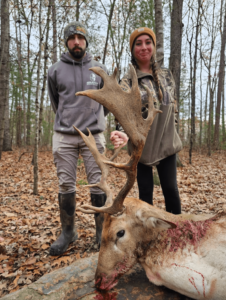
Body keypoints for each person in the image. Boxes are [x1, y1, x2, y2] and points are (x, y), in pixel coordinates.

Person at [47, 21, 108, 256]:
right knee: (65, 184)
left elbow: (107, 102)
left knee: (98, 184)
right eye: (72, 38)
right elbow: (56, 101)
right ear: (66, 42)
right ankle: (68, 232)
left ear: (86, 41)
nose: (76, 42)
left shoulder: (98, 69)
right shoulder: (55, 70)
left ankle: (102, 232)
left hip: (94, 135)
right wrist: (67, 120)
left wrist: (96, 120)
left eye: (80, 38)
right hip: (65, 136)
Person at [110, 27, 183, 215]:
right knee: (145, 196)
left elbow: (173, 106)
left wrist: (173, 128)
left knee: (171, 191)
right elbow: (122, 115)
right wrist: (122, 133)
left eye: (148, 42)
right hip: (142, 147)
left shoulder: (166, 75)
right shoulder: (126, 82)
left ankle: (176, 235)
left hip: (166, 144)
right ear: (132, 49)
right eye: (139, 43)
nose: (144, 47)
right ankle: (147, 236)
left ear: (153, 46)